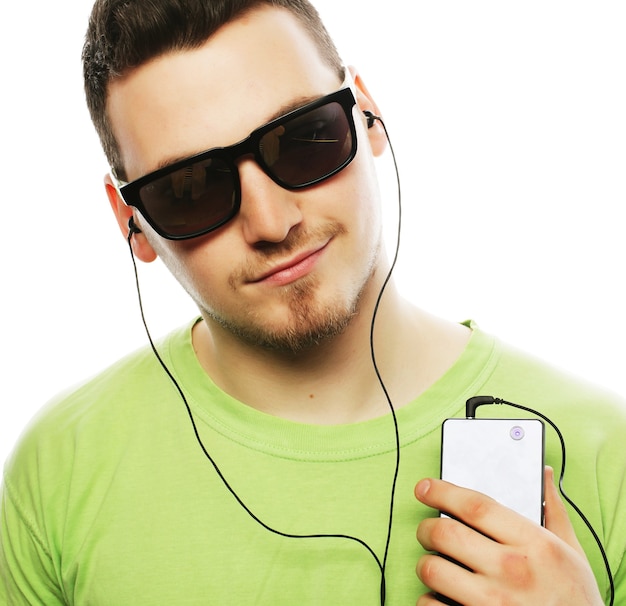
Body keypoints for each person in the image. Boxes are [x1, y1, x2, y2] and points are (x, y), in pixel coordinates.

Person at [1, 0, 624, 604]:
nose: (270, 221)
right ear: (131, 224)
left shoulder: (606, 453)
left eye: (303, 138)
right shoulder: (61, 469)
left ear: (369, 113)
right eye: (189, 187)